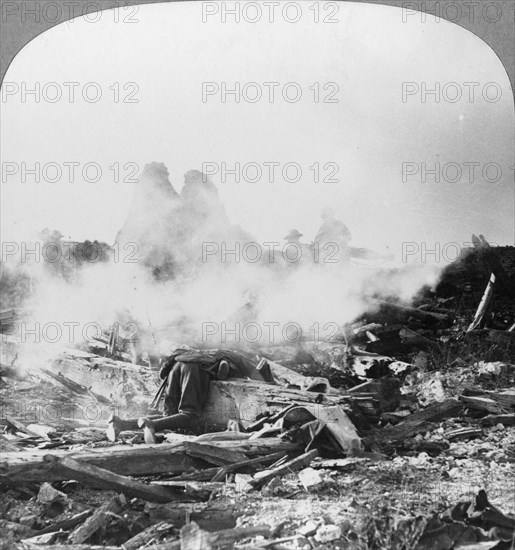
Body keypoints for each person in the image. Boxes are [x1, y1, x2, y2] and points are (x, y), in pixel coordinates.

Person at [107, 348, 263, 443]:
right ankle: (153, 425)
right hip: (193, 368)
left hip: (176, 366)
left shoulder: (213, 351)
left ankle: (121, 424)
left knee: (170, 416)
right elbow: (260, 376)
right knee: (190, 415)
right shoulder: (239, 358)